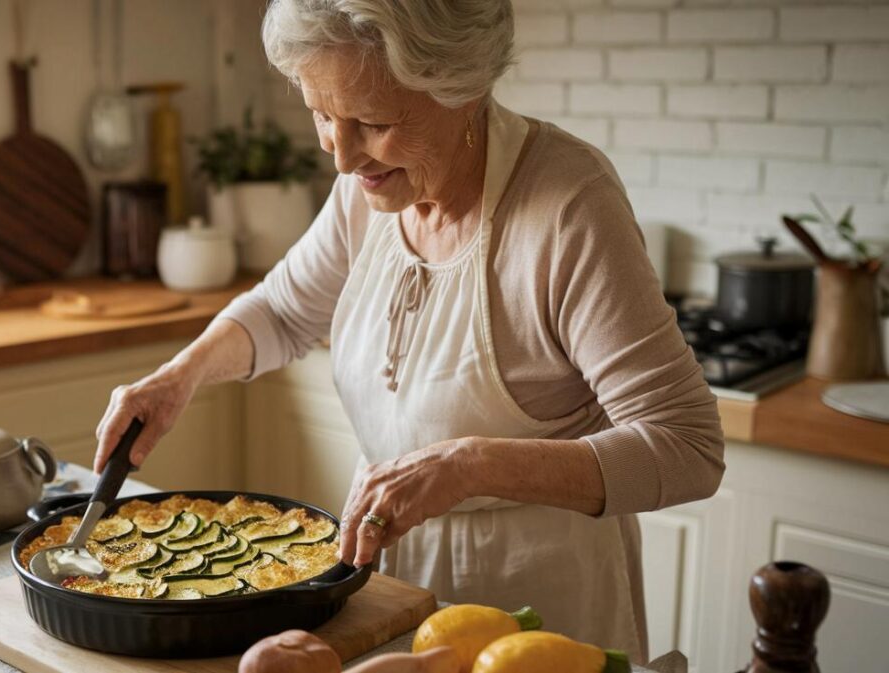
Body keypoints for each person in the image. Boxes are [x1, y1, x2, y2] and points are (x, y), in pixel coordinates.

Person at [93, 0, 724, 660]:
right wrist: (178, 376)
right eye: (321, 115)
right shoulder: (368, 186)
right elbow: (282, 311)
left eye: (372, 121)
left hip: (534, 606)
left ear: (461, 86)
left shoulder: (567, 203)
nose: (339, 156)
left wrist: (471, 464)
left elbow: (687, 446)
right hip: (384, 588)